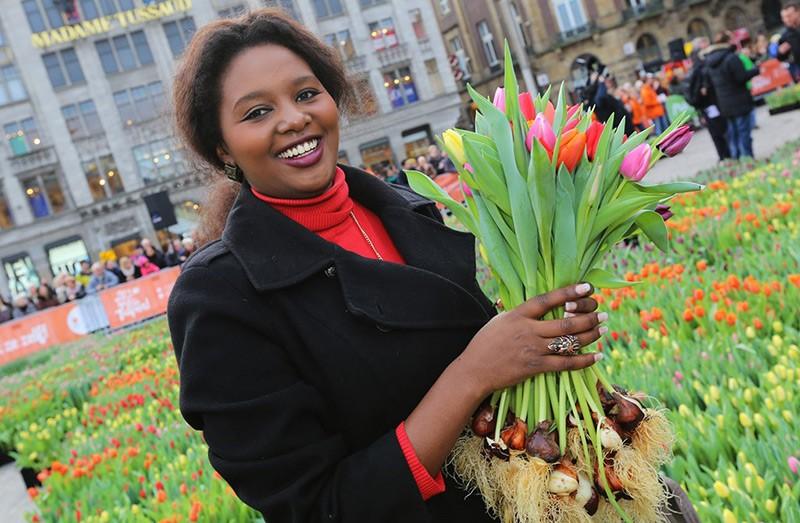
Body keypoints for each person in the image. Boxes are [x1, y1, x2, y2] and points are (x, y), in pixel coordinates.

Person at [166, 9, 613, 522]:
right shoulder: (220, 296)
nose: (293, 118)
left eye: (306, 94)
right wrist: (473, 372)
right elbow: (317, 508)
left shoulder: (406, 208)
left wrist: (541, 335)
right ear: (222, 147)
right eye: (256, 113)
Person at [703, 31, 760, 159]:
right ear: (728, 42)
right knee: (744, 131)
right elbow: (741, 77)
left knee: (732, 132)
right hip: (739, 100)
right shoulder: (731, 57)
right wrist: (755, 70)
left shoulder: (710, 60)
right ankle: (747, 157)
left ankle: (736, 157)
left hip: (724, 102)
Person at [686, 37, 731, 162]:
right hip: (710, 101)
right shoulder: (702, 62)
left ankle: (723, 155)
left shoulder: (698, 63)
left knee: (716, 130)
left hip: (706, 103)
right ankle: (725, 154)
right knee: (720, 129)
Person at [778, 0, 800, 81]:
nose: (786, 19)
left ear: (798, 12)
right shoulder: (785, 35)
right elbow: (780, 57)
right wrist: (780, 52)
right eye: (784, 17)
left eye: (789, 16)